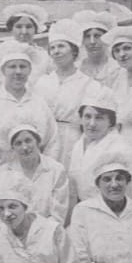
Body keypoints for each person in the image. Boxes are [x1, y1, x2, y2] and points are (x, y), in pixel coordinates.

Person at [33, 18, 100, 168]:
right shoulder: (42, 82)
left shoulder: (88, 83)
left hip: (73, 140)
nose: (56, 51)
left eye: (61, 46)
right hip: (44, 139)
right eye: (53, 47)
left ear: (74, 51)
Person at [0, 42, 60, 162]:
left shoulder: (39, 102)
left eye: (23, 66)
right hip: (1, 169)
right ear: (3, 70)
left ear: (29, 70)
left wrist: (46, 170)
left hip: (36, 169)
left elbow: (52, 141)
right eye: (12, 66)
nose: (18, 72)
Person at [68, 87, 132, 208]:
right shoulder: (79, 144)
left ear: (110, 122)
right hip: (83, 208)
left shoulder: (118, 148)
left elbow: (125, 192)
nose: (92, 123)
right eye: (87, 116)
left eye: (99, 118)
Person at [0, 120, 69, 225]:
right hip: (13, 231)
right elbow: (0, 212)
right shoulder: (4, 172)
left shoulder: (56, 170)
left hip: (47, 232)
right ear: (12, 148)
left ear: (38, 142)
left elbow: (58, 214)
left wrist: (39, 233)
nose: (24, 147)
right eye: (18, 143)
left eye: (28, 141)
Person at [0, 3, 51, 81]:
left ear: (36, 29)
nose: (24, 31)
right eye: (19, 27)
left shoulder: (43, 55)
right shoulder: (4, 50)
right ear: (11, 29)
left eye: (29, 27)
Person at [74, 9, 122, 88]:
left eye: (97, 36)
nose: (92, 41)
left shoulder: (118, 68)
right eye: (87, 36)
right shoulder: (76, 68)